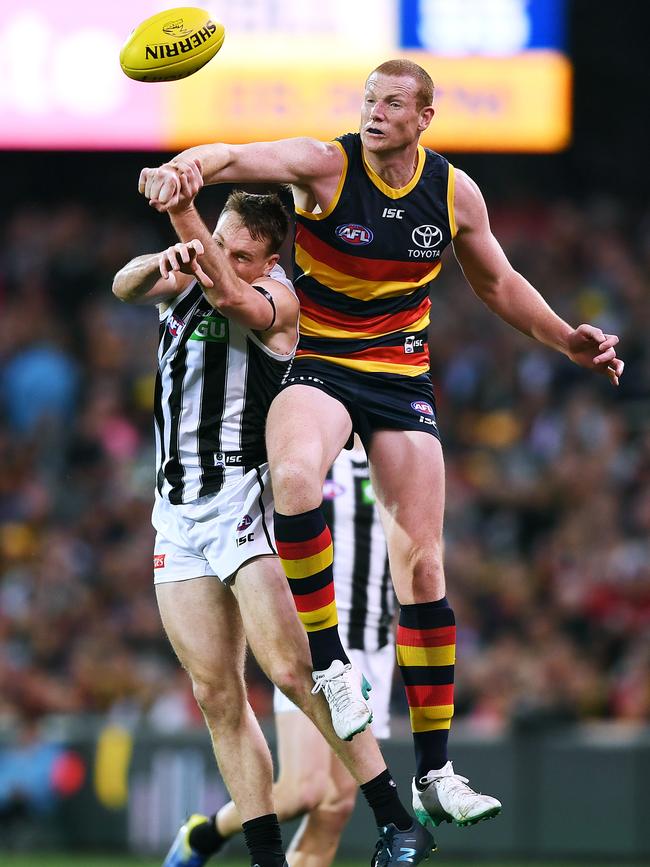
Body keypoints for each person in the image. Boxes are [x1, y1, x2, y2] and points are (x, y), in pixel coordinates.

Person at [138, 58, 624, 835]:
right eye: (368, 99)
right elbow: (236, 157)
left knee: (424, 563)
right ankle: (331, 665)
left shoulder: (454, 192)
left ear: (424, 117)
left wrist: (568, 338)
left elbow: (498, 282)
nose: (374, 112)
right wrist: (188, 165)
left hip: (398, 376)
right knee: (295, 476)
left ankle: (435, 771)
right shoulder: (328, 166)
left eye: (392, 103)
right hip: (321, 364)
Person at [112, 186, 434, 867]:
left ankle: (396, 817)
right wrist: (161, 258)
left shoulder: (282, 301)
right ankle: (264, 859)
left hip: (239, 502)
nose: (218, 257)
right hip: (175, 516)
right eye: (217, 242)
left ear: (268, 260)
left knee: (292, 669)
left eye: (239, 252)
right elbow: (123, 284)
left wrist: (180, 208)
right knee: (215, 694)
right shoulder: (188, 271)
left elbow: (237, 302)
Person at [194, 438, 396, 867]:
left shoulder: (398, 436)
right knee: (301, 791)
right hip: (317, 634)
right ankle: (203, 835)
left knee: (336, 808)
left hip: (376, 637)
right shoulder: (307, 432)